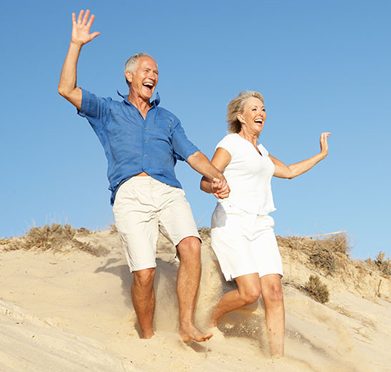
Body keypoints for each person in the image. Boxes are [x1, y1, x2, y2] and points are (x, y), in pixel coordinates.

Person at [58, 9, 229, 343]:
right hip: (130, 193)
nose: (153, 76)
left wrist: (217, 176)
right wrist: (76, 44)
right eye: (147, 70)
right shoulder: (108, 110)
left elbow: (192, 152)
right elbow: (67, 88)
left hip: (168, 190)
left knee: (192, 246)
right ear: (129, 75)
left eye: (157, 72)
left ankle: (185, 325)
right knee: (145, 274)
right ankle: (147, 337)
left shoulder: (167, 118)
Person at [201, 91, 330, 356]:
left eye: (263, 109)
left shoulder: (262, 152)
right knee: (250, 294)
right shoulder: (230, 143)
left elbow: (290, 172)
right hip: (232, 222)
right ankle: (208, 318)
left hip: (260, 225)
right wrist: (215, 185)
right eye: (254, 109)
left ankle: (277, 358)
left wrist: (321, 155)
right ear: (241, 116)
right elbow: (206, 179)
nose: (261, 113)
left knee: (273, 291)